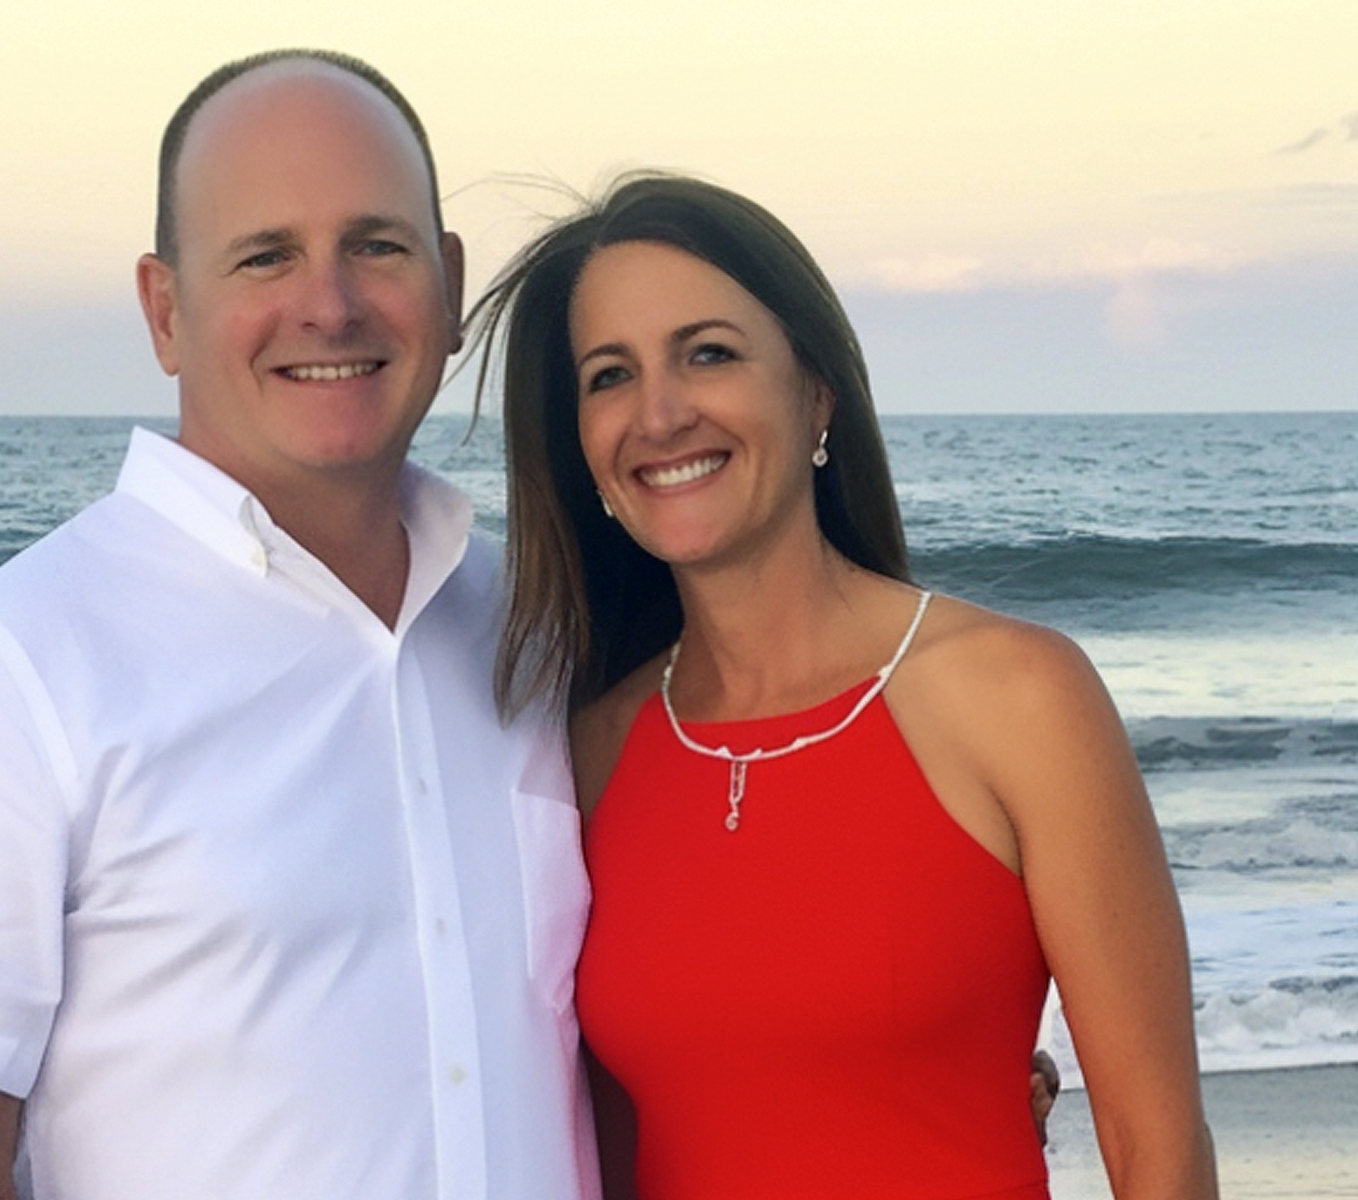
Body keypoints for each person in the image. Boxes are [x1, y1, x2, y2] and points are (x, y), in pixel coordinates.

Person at [0, 50, 596, 1200]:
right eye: (266, 255)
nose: (329, 304)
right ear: (166, 311)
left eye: (376, 244)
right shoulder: (24, 658)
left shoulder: (532, 629)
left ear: (451, 284)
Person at [470, 174, 1218, 1199]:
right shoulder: (592, 747)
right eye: (609, 375)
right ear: (583, 446)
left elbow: (1160, 1155)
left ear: (816, 392)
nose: (660, 412)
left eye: (709, 353)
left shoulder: (1017, 698)